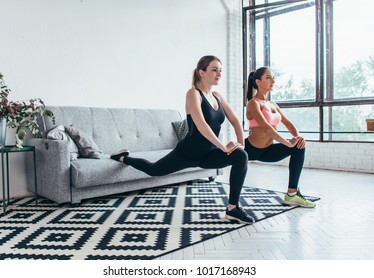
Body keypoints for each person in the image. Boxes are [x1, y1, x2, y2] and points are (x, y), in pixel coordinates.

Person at [111, 55, 255, 224]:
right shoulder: (193, 94)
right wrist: (224, 147)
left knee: (240, 156)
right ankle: (122, 157)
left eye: (220, 70)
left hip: (209, 155)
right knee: (153, 170)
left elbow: (236, 121)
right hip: (187, 153)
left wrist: (241, 145)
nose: (219, 74)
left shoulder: (217, 96)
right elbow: (202, 126)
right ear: (202, 72)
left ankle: (233, 209)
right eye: (214, 70)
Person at [245, 66, 316, 208]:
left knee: (299, 147)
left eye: (273, 78)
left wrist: (298, 137)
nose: (273, 81)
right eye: (268, 77)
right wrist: (287, 142)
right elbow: (267, 128)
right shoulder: (253, 103)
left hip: (268, 151)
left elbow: (289, 124)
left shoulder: (273, 105)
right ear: (258, 82)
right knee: (222, 156)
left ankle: (292, 194)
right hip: (251, 149)